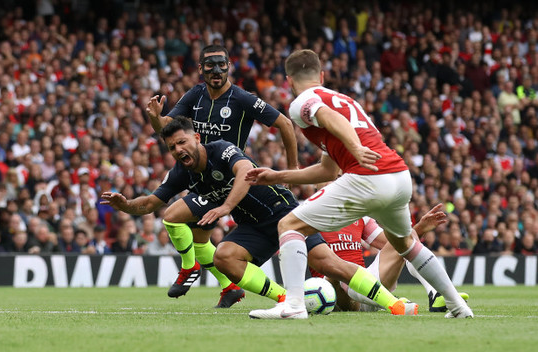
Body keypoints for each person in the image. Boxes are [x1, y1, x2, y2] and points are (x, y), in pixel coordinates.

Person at [102, 117, 417, 316]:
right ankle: (283, 298)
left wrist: (225, 207)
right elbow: (149, 204)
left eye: (182, 142)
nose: (179, 150)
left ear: (196, 138)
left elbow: (244, 173)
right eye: (172, 147)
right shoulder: (181, 174)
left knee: (326, 264)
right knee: (225, 256)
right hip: (253, 226)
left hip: (284, 214)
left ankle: (395, 305)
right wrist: (125, 204)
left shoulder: (221, 150)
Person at [246, 49, 473, 319]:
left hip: (368, 176)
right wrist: (279, 175)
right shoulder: (346, 99)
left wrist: (355, 147)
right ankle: (458, 306)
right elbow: (328, 169)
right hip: (399, 176)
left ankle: (293, 306)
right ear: (321, 74)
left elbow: (332, 118)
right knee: (407, 245)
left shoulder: (302, 102)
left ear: (289, 80)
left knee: (288, 225)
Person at [145, 44, 299, 304]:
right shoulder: (195, 96)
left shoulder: (242, 98)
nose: (216, 70)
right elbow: (167, 129)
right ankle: (229, 287)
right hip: (199, 174)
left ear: (229, 66)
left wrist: (292, 170)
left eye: (221, 65)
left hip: (230, 178)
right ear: (200, 69)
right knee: (198, 237)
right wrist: (155, 118)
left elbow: (284, 123)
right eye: (210, 65)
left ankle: (191, 267)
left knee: (172, 217)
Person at [312, 203, 469, 312]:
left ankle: (434, 294)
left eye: (338, 177)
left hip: (366, 286)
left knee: (404, 233)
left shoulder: (359, 217)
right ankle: (391, 302)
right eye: (327, 177)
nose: (332, 182)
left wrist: (419, 229)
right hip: (332, 293)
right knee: (336, 275)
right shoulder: (307, 217)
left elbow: (396, 244)